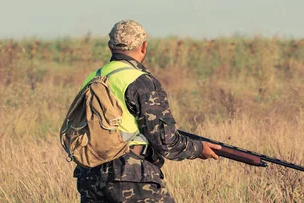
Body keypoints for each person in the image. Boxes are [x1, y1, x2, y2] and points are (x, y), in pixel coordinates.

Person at [73, 19, 222, 202]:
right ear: (143, 46)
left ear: (110, 47)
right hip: (130, 176)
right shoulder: (139, 81)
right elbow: (165, 140)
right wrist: (198, 148)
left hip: (90, 177)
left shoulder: (93, 78)